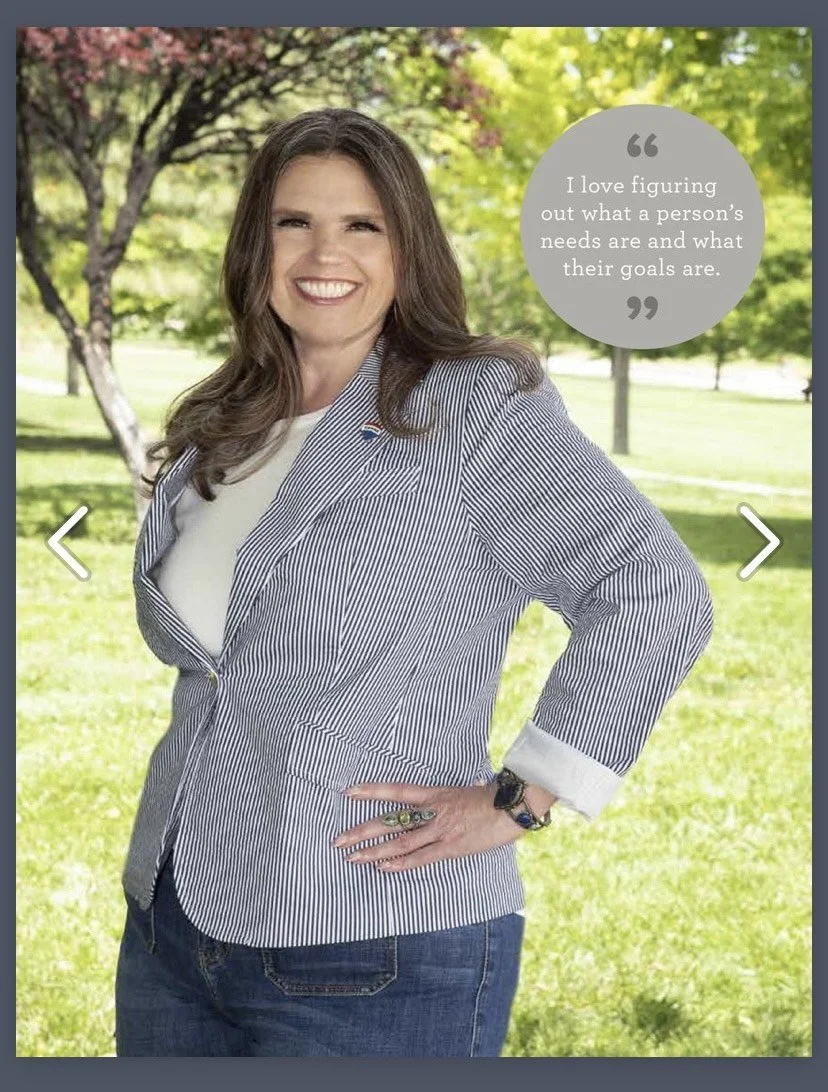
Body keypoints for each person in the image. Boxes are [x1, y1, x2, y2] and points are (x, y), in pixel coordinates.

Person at [114, 107, 714, 1057]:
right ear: (254, 245)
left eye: (363, 225)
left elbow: (655, 589)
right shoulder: (225, 423)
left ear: (408, 250)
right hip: (173, 933)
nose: (325, 252)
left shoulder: (474, 410)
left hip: (375, 942)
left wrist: (528, 792)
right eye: (293, 221)